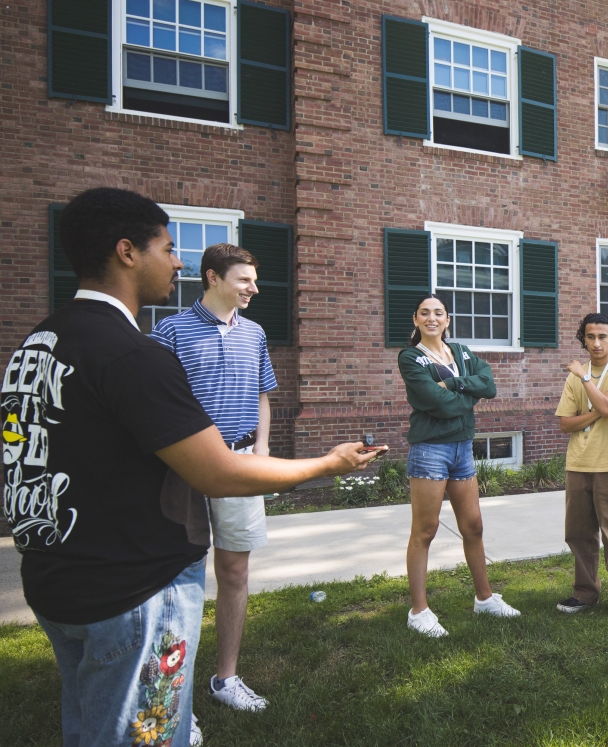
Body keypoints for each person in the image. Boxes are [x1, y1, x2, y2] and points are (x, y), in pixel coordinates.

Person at [1, 188, 380, 747]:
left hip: (59, 581)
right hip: (132, 594)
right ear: (127, 252)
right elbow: (214, 473)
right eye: (168, 247)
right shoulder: (137, 353)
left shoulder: (37, 345)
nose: (177, 260)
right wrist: (328, 463)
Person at [152, 243, 277, 713]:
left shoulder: (255, 333)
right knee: (176, 576)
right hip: (183, 468)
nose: (253, 288)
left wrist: (261, 452)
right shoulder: (171, 331)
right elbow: (154, 401)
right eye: (244, 279)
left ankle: (225, 679)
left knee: (235, 571)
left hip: (242, 461)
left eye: (253, 279)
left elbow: (264, 395)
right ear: (212, 278)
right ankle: (172, 699)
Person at [399, 294, 519, 637]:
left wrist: (452, 383)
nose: (432, 318)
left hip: (462, 449)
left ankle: (484, 599)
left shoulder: (462, 353)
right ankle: (418, 611)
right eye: (425, 313)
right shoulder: (411, 358)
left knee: (474, 526)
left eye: (438, 313)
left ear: (447, 320)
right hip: (430, 450)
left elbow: (489, 386)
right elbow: (437, 403)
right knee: (425, 530)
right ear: (416, 320)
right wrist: (465, 397)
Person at [554, 313, 608, 625]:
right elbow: (566, 424)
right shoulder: (573, 378)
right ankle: (584, 593)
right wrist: (596, 409)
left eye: (603, 336)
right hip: (578, 462)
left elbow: (607, 409)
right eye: (590, 337)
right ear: (584, 339)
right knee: (578, 533)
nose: (596, 343)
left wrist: (586, 382)